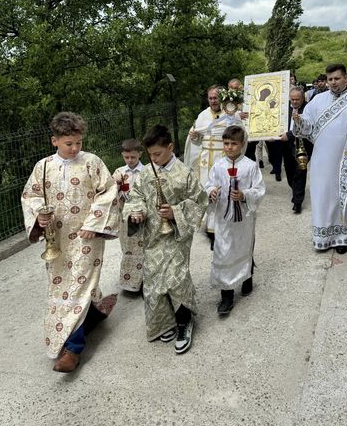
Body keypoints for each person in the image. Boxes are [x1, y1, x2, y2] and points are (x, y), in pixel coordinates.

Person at [21, 112, 120, 372]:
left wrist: (94, 224)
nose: (75, 148)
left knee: (78, 284)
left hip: (87, 236)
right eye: (69, 143)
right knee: (60, 288)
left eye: (78, 142)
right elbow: (30, 196)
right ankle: (93, 314)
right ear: (55, 140)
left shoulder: (92, 162)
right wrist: (38, 219)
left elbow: (109, 191)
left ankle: (73, 349)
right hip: (57, 242)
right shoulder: (42, 167)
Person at [124, 125, 207, 354]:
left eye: (158, 154)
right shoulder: (146, 172)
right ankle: (165, 321)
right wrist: (136, 211)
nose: (153, 159)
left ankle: (184, 322)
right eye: (150, 155)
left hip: (176, 236)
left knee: (176, 279)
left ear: (170, 147)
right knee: (153, 282)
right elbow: (136, 196)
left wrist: (175, 213)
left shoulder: (185, 173)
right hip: (152, 236)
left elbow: (200, 202)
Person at [293, 64, 347, 253]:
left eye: (337, 78)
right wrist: (299, 121)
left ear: (345, 79)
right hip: (321, 159)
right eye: (330, 79)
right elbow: (307, 127)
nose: (333, 82)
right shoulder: (317, 100)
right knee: (322, 196)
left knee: (344, 197)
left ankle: (342, 238)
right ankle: (322, 237)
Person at [205, 125, 265, 315]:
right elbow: (209, 184)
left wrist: (245, 195)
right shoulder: (218, 166)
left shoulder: (250, 166)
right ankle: (227, 295)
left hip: (244, 220)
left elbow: (260, 189)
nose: (229, 147)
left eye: (233, 144)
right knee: (223, 251)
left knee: (243, 247)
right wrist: (212, 192)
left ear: (242, 144)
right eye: (226, 143)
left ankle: (247, 277)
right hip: (224, 218)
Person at [184, 85, 239, 246]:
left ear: (221, 98)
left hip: (223, 158)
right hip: (206, 161)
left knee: (225, 190)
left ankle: (226, 223)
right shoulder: (202, 116)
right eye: (211, 98)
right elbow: (196, 140)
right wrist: (193, 136)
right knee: (207, 191)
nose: (213, 101)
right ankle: (211, 225)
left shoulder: (229, 113)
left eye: (216, 98)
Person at [112, 138, 144, 294]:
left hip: (141, 216)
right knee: (128, 248)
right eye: (126, 157)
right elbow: (110, 194)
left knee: (143, 247)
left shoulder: (146, 172)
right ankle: (129, 282)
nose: (130, 160)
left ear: (140, 155)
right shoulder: (119, 172)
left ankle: (144, 281)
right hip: (124, 217)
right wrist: (116, 185)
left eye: (133, 157)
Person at [279, 87, 313, 213]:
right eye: (292, 99)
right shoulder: (284, 109)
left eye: (297, 99)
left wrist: (290, 134)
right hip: (287, 146)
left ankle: (297, 202)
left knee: (300, 172)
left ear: (303, 98)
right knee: (289, 173)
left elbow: (309, 126)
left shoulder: (309, 109)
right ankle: (295, 189)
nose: (294, 102)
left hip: (303, 145)